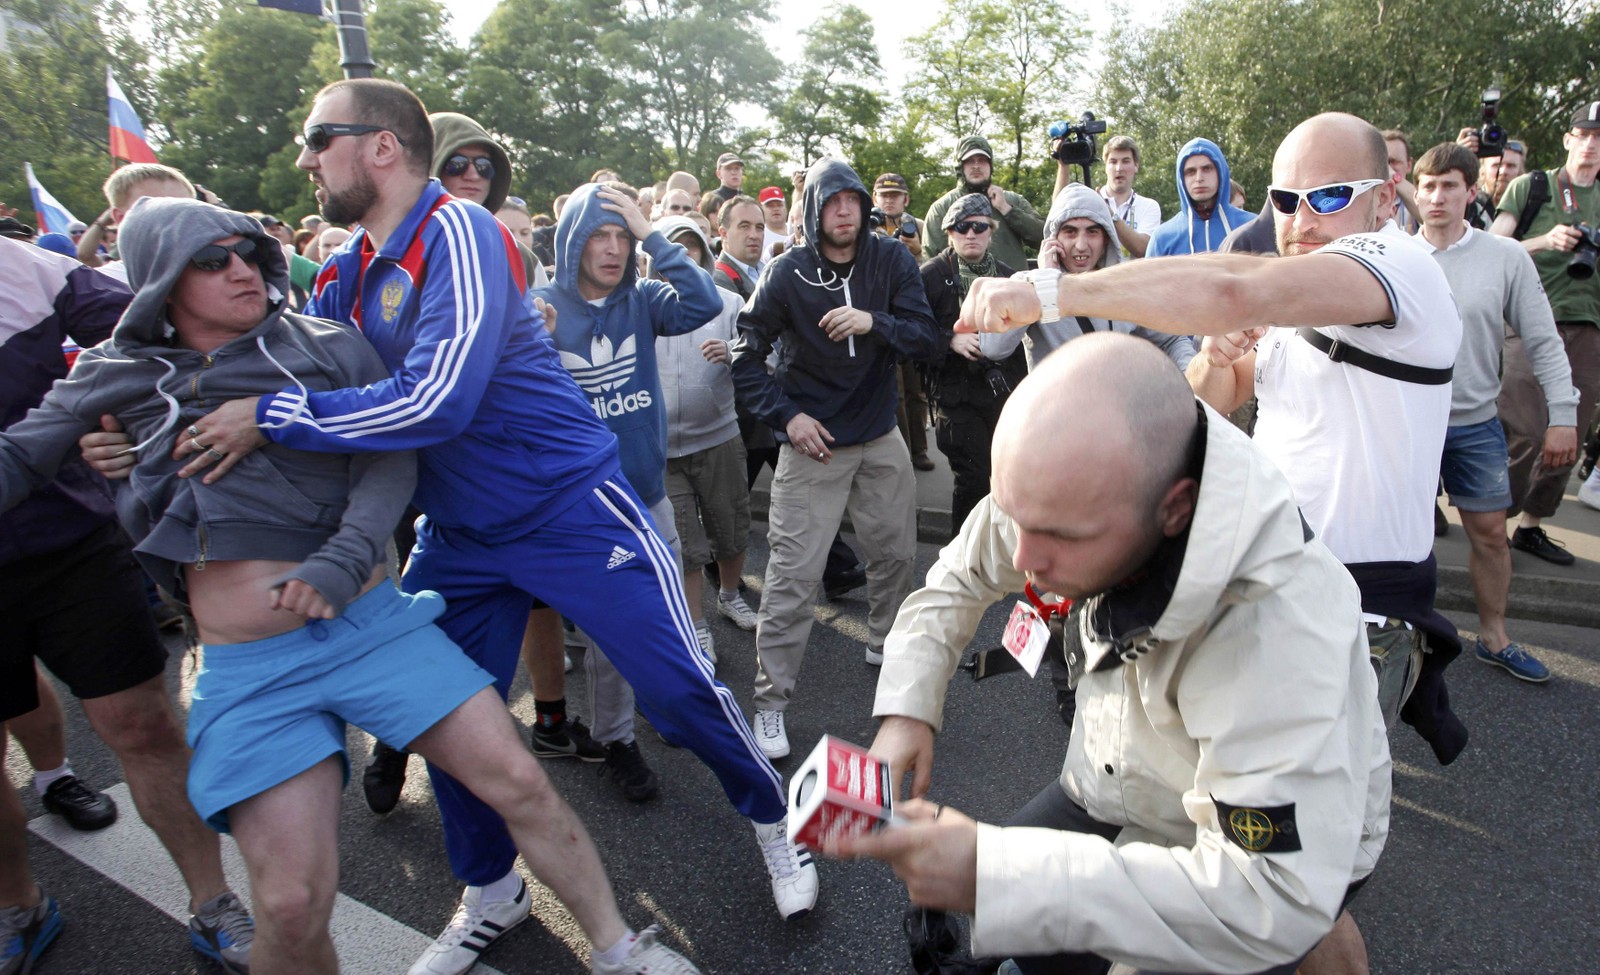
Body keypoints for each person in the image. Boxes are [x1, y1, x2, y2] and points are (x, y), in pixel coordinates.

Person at [81, 80, 812, 970]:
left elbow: (434, 399)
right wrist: (136, 439)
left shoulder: (461, 233)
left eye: (320, 138)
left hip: (569, 508)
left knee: (677, 689)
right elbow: (262, 365)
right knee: (446, 713)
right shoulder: (347, 268)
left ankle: (776, 819)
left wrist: (271, 417)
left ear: (381, 148)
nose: (307, 158)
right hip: (461, 532)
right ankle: (492, 889)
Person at [959, 112, 1471, 973]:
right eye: (1282, 199)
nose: (1301, 219)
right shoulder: (1290, 291)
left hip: (1359, 616)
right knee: (1240, 852)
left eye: (1330, 196)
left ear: (1386, 199)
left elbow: (1235, 287)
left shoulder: (1401, 266)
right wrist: (1222, 356)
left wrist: (1053, 293)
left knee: (1297, 886)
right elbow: (1208, 398)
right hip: (1252, 599)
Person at [847, 333, 1391, 975]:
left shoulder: (1275, 629)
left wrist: (999, 877)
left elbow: (1267, 894)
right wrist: (909, 704)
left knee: (1300, 919)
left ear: (1175, 507)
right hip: (1112, 780)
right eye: (1015, 514)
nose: (1023, 558)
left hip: (1249, 844)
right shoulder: (1073, 487)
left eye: (1058, 537)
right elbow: (961, 575)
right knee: (1023, 929)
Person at [0, 233, 254, 975]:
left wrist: (115, 421)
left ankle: (212, 902)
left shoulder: (35, 272)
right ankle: (19, 902)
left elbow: (177, 327)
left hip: (69, 545)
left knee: (140, 721)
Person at [730, 156, 941, 757]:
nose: (844, 210)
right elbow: (746, 358)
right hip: (812, 443)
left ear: (865, 207)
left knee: (897, 554)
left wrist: (873, 321)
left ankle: (883, 639)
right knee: (792, 579)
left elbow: (928, 338)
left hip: (878, 434)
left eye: (853, 199)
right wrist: (787, 418)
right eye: (832, 200)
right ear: (815, 209)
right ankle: (770, 704)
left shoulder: (891, 259)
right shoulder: (786, 272)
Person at [1414, 142, 1576, 683]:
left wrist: (1564, 415)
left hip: (1475, 422)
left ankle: (1494, 637)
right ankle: (1399, 633)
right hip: (1406, 422)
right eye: (1428, 186)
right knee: (1400, 534)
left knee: (1488, 533)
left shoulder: (1505, 257)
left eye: (1449, 186)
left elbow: (1545, 341)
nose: (1436, 197)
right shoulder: (1397, 256)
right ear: (1415, 193)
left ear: (1471, 191)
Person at [1491, 100, 1600, 560]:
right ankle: (1493, 518)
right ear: (1568, 139)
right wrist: (1545, 239)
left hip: (1590, 327)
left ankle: (1531, 525)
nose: (1592, 145)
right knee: (1524, 430)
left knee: (1568, 436)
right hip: (1531, 320)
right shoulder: (1533, 186)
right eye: (1585, 134)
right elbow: (1492, 245)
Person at [653, 217, 761, 636]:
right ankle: (695, 624)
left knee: (730, 528)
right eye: (671, 251)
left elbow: (764, 359)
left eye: (690, 249)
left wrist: (735, 354)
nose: (681, 260)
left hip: (719, 437)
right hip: (661, 450)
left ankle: (731, 596)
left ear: (704, 252)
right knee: (683, 544)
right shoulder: (641, 305)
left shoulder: (728, 303)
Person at [979, 183, 1195, 372]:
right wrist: (1045, 282)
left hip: (1118, 413)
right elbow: (993, 348)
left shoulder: (1125, 286)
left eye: (1092, 232)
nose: (1081, 245)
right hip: (1058, 416)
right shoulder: (1028, 285)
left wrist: (1194, 383)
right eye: (1070, 232)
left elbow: (1173, 339)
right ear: (1053, 238)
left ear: (1107, 239)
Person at [918, 193, 1028, 527]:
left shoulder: (1010, 278)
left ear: (991, 232)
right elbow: (909, 335)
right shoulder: (931, 276)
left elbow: (1025, 338)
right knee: (973, 480)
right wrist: (948, 339)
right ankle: (960, 563)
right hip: (955, 396)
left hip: (1000, 393)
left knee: (1005, 478)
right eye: (962, 227)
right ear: (949, 232)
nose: (971, 234)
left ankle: (995, 559)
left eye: (980, 227)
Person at [923, 136, 1044, 270]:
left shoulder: (1013, 200)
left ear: (990, 166)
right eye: (969, 161)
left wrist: (1008, 210)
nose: (976, 166)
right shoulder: (942, 208)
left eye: (982, 160)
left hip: (1014, 286)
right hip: (965, 290)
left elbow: (1043, 237)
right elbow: (931, 261)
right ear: (959, 166)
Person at [1145, 138, 1253, 256]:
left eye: (1207, 169)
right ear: (1182, 178)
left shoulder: (1251, 227)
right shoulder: (1163, 238)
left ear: (1220, 172)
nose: (1199, 178)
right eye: (1190, 172)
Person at [712, 195, 764, 298]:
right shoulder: (716, 280)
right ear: (724, 234)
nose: (754, 235)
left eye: (759, 227)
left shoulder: (771, 271)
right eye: (744, 227)